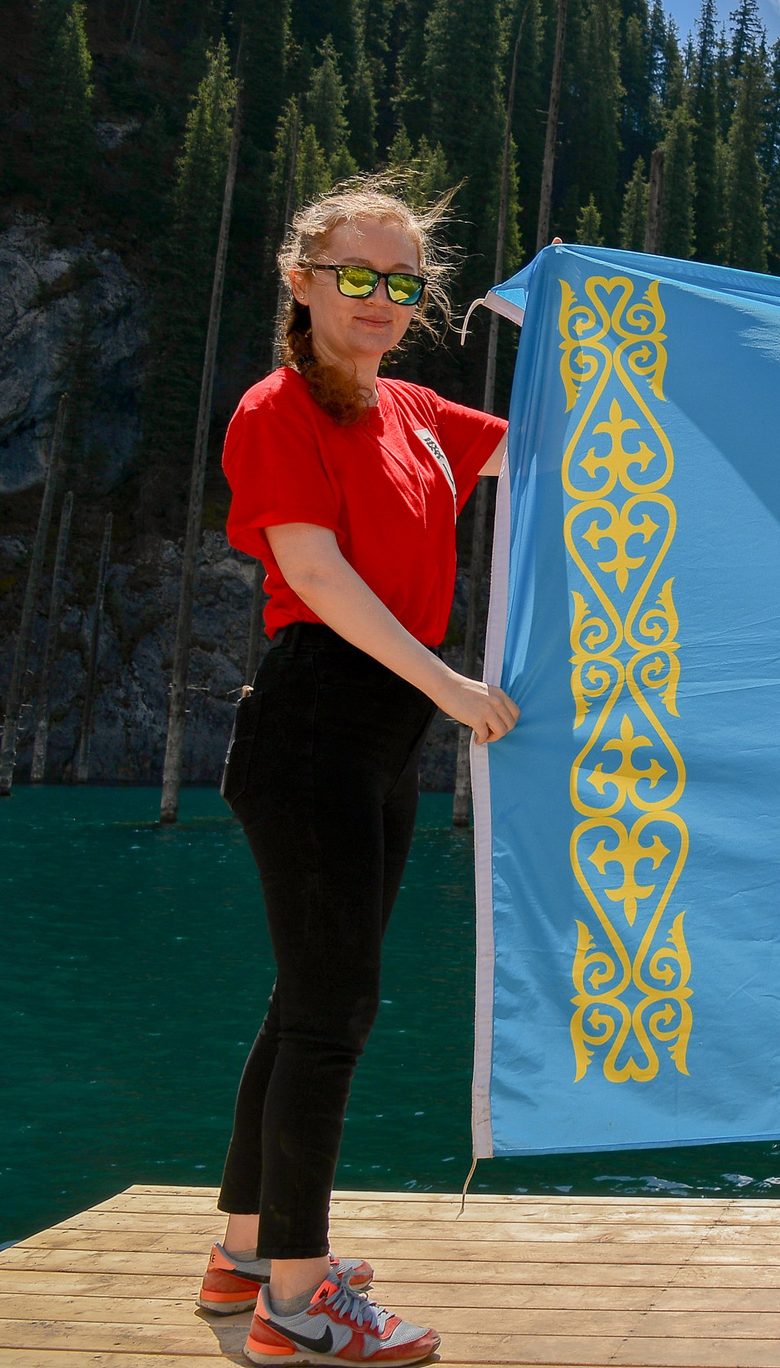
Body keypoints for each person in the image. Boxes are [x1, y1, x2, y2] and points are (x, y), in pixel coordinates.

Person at [193, 179, 518, 1364]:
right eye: (355, 275)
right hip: (316, 724)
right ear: (303, 281)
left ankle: (244, 1247)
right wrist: (453, 688)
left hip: (381, 735)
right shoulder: (276, 408)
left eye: (401, 281)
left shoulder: (418, 411)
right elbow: (318, 579)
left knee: (312, 1002)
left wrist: (633, 348)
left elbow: (548, 453)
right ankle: (295, 1296)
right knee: (332, 1014)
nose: (379, 299)